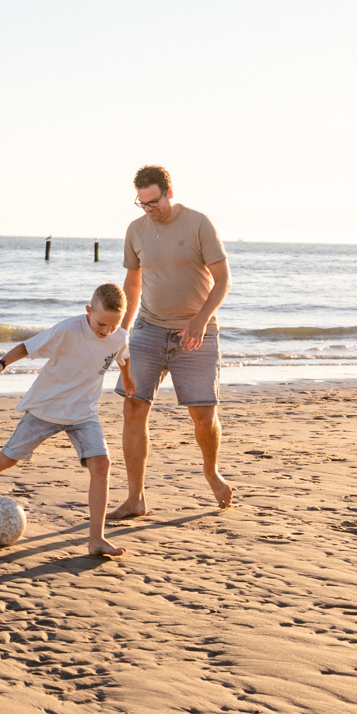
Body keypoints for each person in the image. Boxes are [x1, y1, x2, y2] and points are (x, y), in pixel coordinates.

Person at [0, 283, 131, 558]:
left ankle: (96, 538)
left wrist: (129, 379)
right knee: (8, 458)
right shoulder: (67, 330)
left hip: (84, 413)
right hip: (45, 409)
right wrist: (0, 364)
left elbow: (123, 356)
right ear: (88, 311)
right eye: (101, 323)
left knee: (102, 464)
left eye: (113, 325)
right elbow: (27, 347)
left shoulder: (118, 335)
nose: (106, 331)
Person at [110, 164, 234, 515]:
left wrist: (200, 320)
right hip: (149, 330)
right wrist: (123, 328)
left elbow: (223, 280)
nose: (150, 210)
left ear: (169, 192)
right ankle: (135, 499)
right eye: (143, 203)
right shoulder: (135, 230)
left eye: (155, 202)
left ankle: (211, 473)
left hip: (196, 332)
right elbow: (132, 284)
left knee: (203, 417)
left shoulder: (198, 224)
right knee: (133, 408)